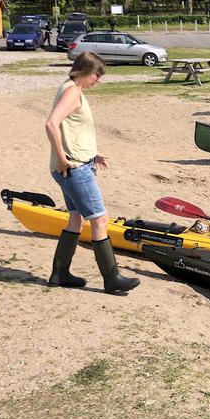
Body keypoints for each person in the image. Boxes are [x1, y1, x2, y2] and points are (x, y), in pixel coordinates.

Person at [44, 51, 139, 294]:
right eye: (97, 75)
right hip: (73, 168)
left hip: (73, 165)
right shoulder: (73, 91)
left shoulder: (70, 87)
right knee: (100, 219)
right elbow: (51, 123)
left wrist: (92, 155)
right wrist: (65, 158)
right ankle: (112, 278)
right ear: (85, 71)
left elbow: (70, 129)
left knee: (76, 218)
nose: (98, 80)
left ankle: (59, 273)